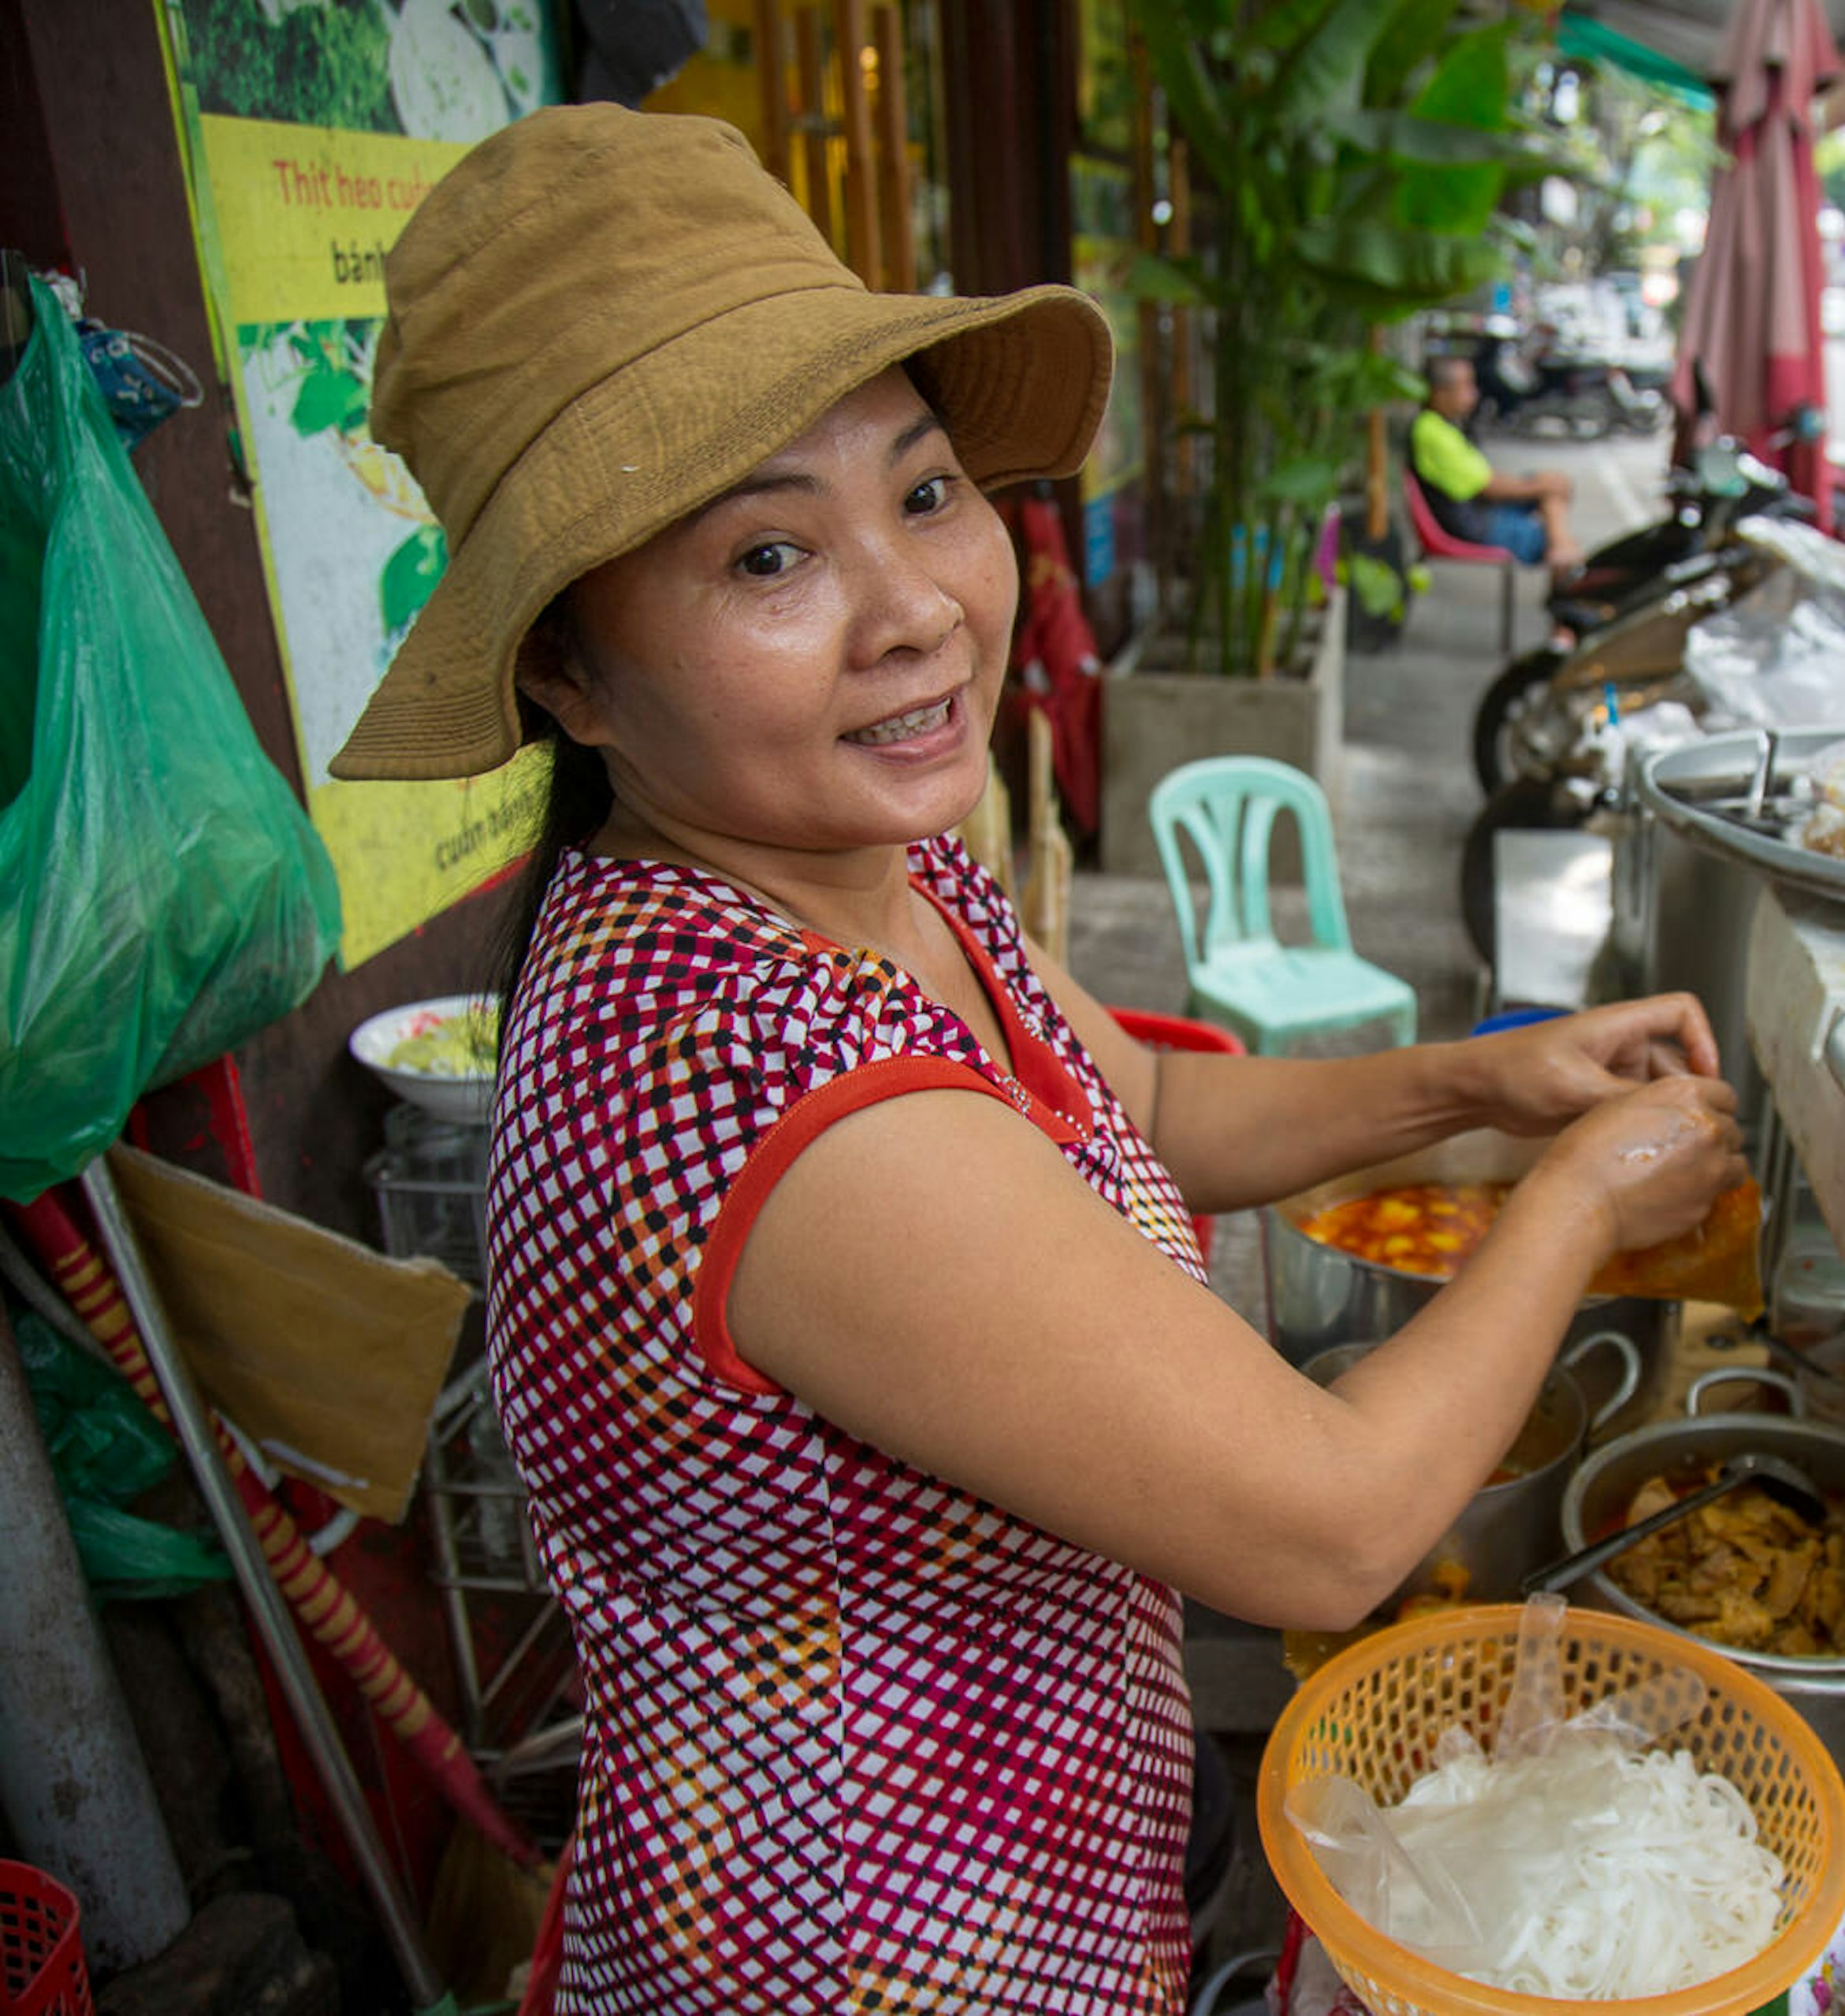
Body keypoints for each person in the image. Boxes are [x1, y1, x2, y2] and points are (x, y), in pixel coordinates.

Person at [329, 107, 1744, 2014]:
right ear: (569, 678)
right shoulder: (735, 1068)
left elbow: (1132, 1107)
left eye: (922, 493)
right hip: (865, 1959)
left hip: (1042, 1873)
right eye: (768, 552)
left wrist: (1480, 1085)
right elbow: (1327, 1524)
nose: (914, 606)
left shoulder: (880, 868)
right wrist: (1576, 1198)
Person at [1411, 354, 1583, 573]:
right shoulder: (1431, 432)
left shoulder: (1447, 425)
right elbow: (1487, 487)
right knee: (1557, 525)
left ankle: (1561, 551)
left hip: (1481, 510)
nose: (1473, 393)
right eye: (1465, 386)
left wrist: (1543, 484)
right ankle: (1562, 554)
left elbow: (1483, 477)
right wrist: (1540, 486)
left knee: (1555, 492)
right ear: (1440, 393)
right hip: (1476, 524)